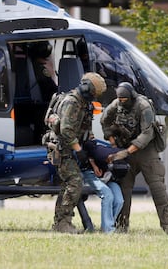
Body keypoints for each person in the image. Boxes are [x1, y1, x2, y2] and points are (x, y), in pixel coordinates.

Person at [100, 82, 168, 234]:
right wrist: (111, 139)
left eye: (124, 99)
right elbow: (104, 120)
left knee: (158, 188)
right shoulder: (117, 104)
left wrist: (127, 152)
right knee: (124, 190)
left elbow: (147, 134)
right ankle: (121, 226)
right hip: (126, 150)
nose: (122, 102)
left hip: (146, 152)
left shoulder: (143, 106)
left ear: (131, 97)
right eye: (119, 99)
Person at [50, 72, 107, 234]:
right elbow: (66, 130)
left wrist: (91, 151)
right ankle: (63, 222)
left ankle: (61, 222)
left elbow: (86, 131)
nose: (95, 98)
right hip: (61, 148)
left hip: (71, 148)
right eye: (94, 94)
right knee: (75, 182)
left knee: (68, 185)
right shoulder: (71, 102)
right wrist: (79, 150)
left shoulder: (85, 104)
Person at [82, 139, 124, 233]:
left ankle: (108, 224)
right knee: (107, 195)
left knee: (119, 200)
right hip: (91, 174)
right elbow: (87, 154)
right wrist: (94, 166)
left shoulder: (114, 149)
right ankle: (108, 230)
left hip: (107, 176)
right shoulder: (92, 146)